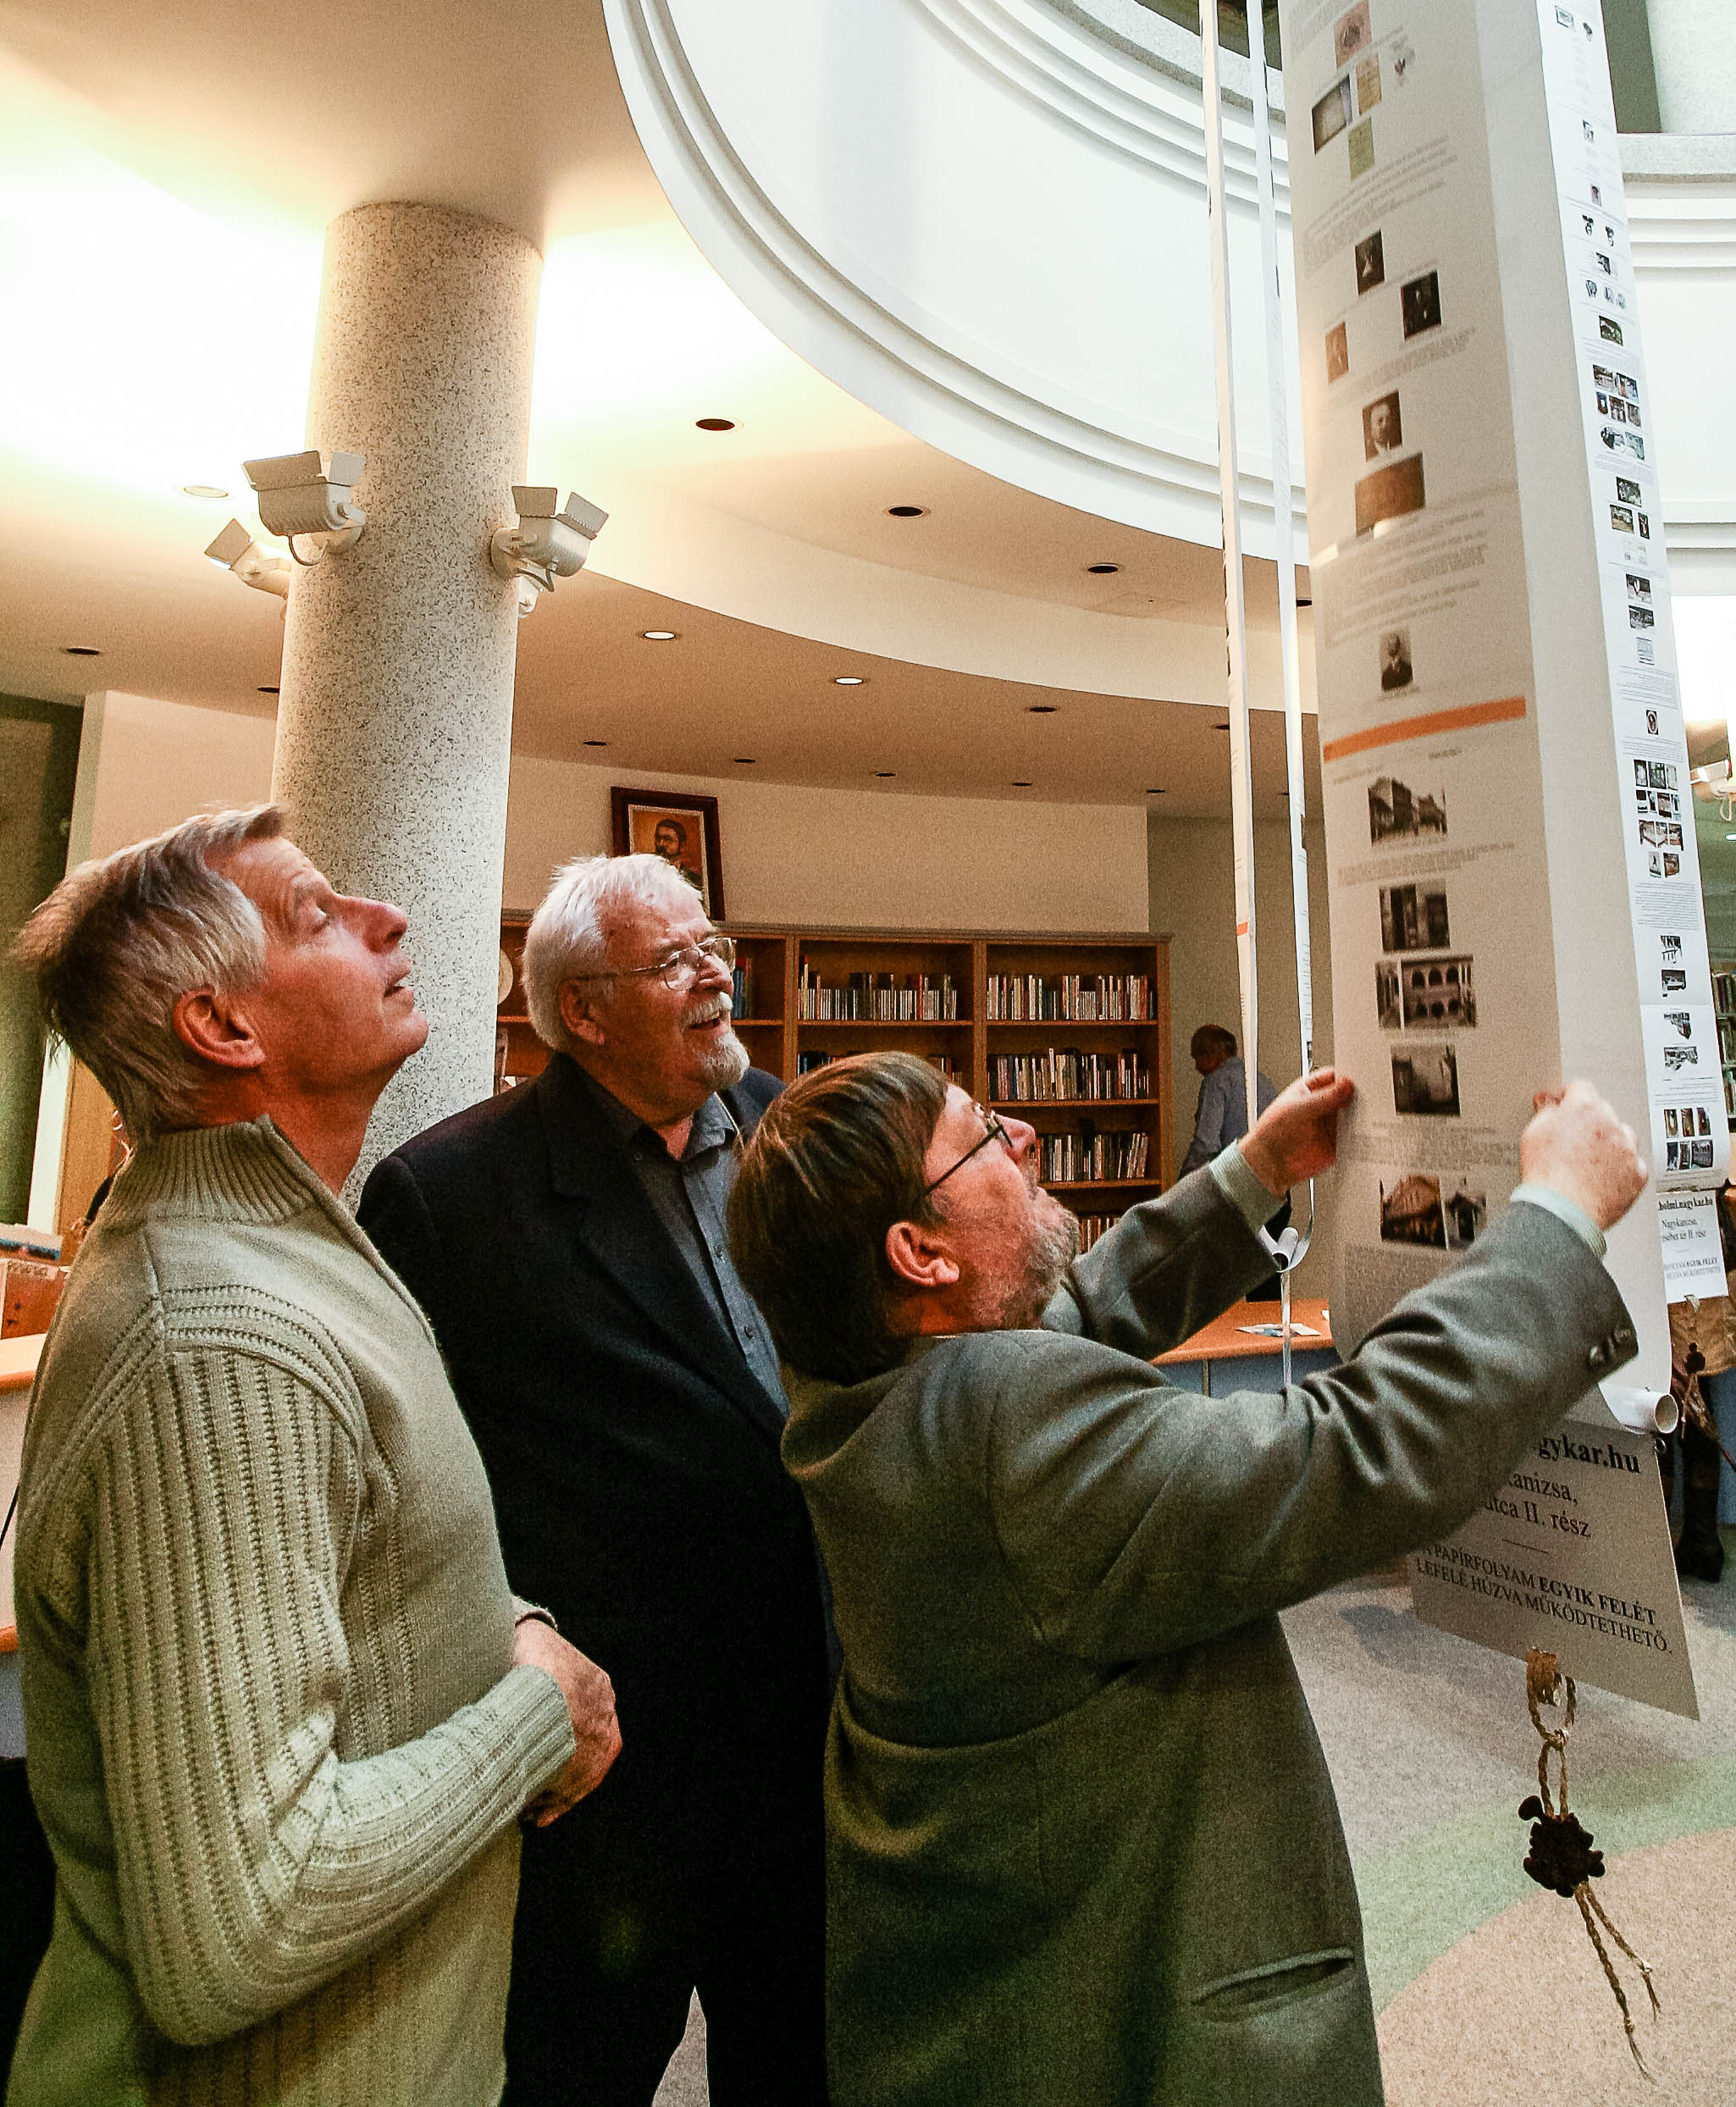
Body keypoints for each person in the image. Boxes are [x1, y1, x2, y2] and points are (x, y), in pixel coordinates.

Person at [727, 1050, 1645, 2107]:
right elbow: (1357, 1453)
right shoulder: (1002, 1431)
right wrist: (1556, 1219)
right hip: (1127, 2029)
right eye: (981, 1136)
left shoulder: (858, 1383)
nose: (1022, 1137)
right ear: (919, 1252)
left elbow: (1070, 1316)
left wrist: (1254, 1171)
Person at [7, 808, 620, 2107]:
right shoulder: (217, 1340)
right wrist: (536, 1716)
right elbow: (245, 1924)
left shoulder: (285, 1248)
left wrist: (503, 1622)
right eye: (316, 915)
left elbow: (354, 1558)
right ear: (222, 1025)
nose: (387, 918)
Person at [357, 854, 830, 2107]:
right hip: (616, 1758)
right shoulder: (453, 1192)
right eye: (674, 961)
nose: (716, 974)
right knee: (580, 2073)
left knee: (808, 2060)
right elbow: (404, 1483)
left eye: (713, 943)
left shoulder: (792, 1126)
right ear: (584, 1011)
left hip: (818, 1718)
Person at [1177, 1020, 1274, 1173]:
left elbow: (1206, 1145)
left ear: (1207, 1055)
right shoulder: (1262, 1080)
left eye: (1196, 1058)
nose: (1196, 1067)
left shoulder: (1215, 1082)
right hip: (1270, 1175)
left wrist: (1184, 1179)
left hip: (1235, 1176)